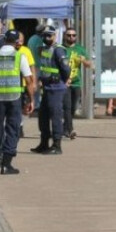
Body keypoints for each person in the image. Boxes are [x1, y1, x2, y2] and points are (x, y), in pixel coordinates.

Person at [0, 30, 35, 174]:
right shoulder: (19, 57)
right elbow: (29, 80)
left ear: (4, 40)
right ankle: (6, 165)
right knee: (12, 129)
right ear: (17, 42)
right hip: (14, 98)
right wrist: (31, 100)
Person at [31, 26, 70, 155]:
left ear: (54, 36)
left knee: (55, 116)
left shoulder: (59, 50)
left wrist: (63, 80)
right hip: (47, 87)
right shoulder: (44, 49)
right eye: (44, 35)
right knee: (43, 116)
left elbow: (66, 69)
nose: (46, 38)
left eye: (49, 35)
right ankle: (44, 143)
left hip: (56, 87)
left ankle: (57, 144)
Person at [63, 27, 92, 139]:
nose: (71, 37)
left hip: (76, 82)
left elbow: (90, 64)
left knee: (73, 108)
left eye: (73, 35)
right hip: (65, 83)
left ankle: (65, 127)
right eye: (69, 35)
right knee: (67, 106)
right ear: (65, 36)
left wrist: (83, 60)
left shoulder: (80, 49)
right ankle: (70, 130)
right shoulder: (62, 49)